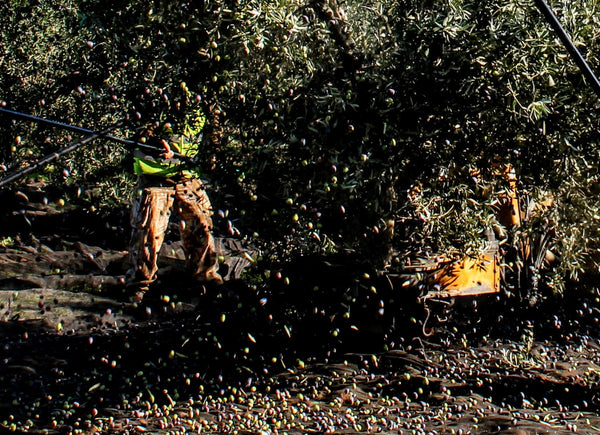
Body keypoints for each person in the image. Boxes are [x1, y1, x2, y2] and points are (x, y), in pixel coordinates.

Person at [126, 108, 222, 303]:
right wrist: (155, 143)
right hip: (155, 176)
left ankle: (206, 281)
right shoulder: (156, 88)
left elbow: (213, 122)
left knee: (200, 225)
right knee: (149, 231)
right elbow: (139, 120)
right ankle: (140, 285)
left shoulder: (202, 94)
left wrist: (212, 151)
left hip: (187, 175)